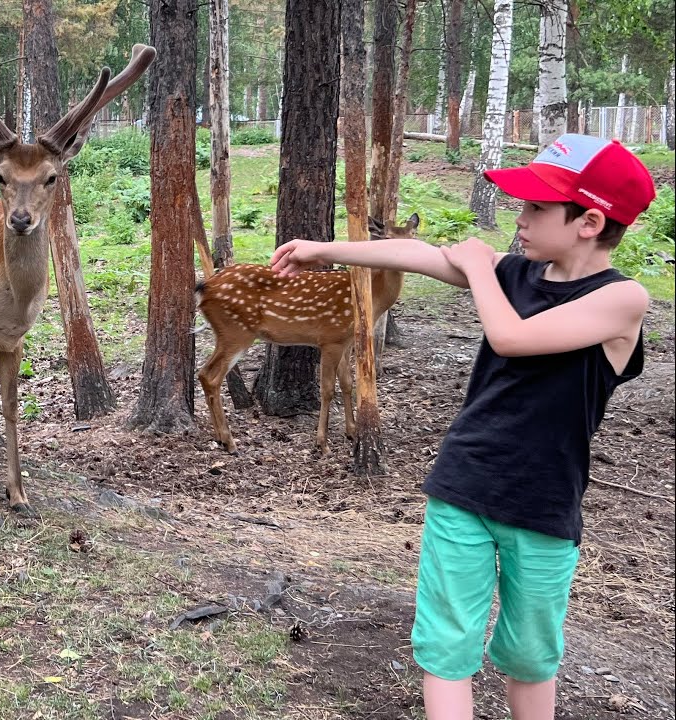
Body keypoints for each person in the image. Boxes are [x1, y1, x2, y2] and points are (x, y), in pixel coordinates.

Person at [269, 134, 657, 720]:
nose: (518, 219)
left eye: (535, 208)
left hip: (543, 506)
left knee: (530, 656)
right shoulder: (516, 272)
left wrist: (479, 268)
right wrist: (323, 250)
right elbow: (420, 255)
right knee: (446, 648)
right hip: (463, 487)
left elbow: (512, 339)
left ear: (590, 221)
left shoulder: (623, 299)